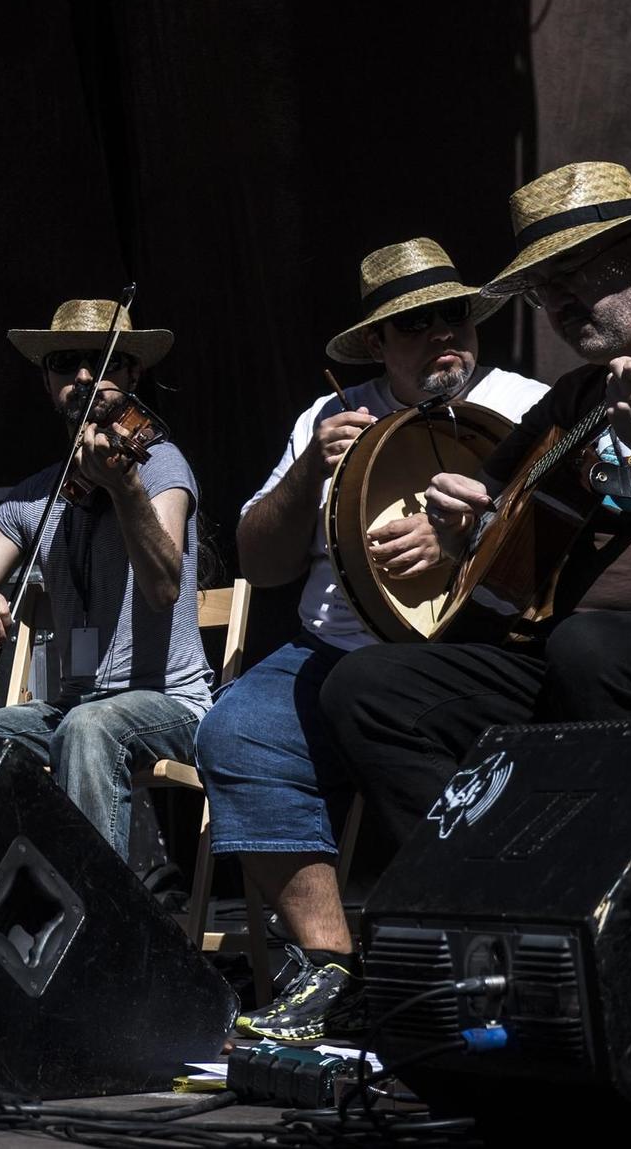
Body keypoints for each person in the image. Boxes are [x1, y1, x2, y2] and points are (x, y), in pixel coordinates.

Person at [194, 239, 546, 1043]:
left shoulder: (526, 403)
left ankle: (479, 954)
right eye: (413, 324)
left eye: (451, 316)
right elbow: (260, 559)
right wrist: (304, 477)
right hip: (333, 653)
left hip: (477, 649)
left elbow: (569, 542)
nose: (440, 335)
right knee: (238, 727)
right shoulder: (327, 415)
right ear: (377, 344)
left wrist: (471, 539)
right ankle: (330, 969)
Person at [325, 162, 631, 915]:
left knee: (594, 650)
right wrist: (463, 532)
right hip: (559, 647)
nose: (554, 300)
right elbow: (488, 506)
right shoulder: (576, 397)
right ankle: (499, 912)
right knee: (369, 688)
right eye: (539, 286)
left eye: (571, 272)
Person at [0, 300, 212, 861]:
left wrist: (124, 486)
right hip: (77, 706)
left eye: (100, 362)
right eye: (65, 362)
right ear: (47, 380)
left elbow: (164, 587)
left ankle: (99, 931)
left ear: (133, 374)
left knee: (88, 728)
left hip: (169, 700)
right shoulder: (31, 497)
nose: (83, 376)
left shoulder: (159, 466)